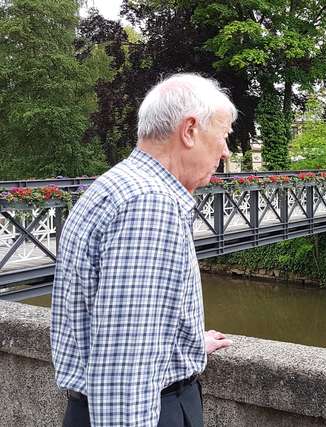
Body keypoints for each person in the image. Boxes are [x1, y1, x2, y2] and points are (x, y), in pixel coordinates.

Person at [50, 73, 236, 427]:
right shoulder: (150, 204)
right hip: (148, 413)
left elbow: (116, 323)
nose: (226, 151)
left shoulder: (117, 184)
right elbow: (125, 370)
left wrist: (183, 343)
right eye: (223, 136)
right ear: (190, 130)